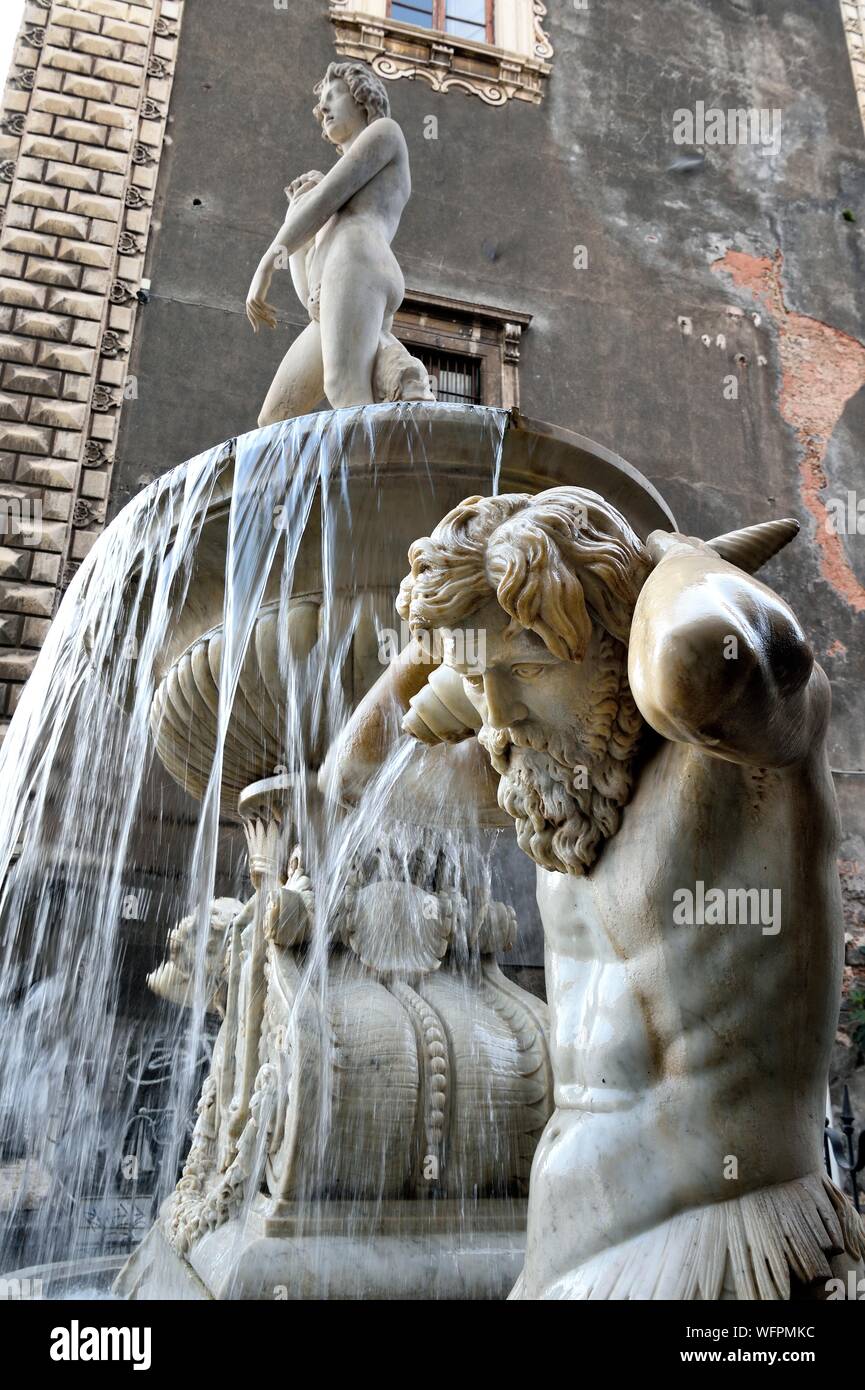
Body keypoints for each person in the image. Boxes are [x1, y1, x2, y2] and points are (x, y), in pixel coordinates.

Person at [324, 486, 864, 1299]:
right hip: (570, 1267)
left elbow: (697, 666)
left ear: (616, 639)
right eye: (484, 681)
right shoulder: (556, 790)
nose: (498, 712)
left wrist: (675, 559)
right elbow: (354, 773)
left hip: (719, 1251)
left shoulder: (738, 761)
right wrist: (453, 649)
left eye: (530, 668)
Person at [246, 61, 432, 422]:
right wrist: (296, 229)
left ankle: (376, 476)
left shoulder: (385, 133)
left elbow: (327, 197)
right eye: (321, 104)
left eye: (333, 96)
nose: (323, 109)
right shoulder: (330, 202)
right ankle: (397, 365)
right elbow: (311, 301)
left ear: (363, 98)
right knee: (273, 419)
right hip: (339, 283)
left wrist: (267, 265)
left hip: (361, 259)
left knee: (345, 389)